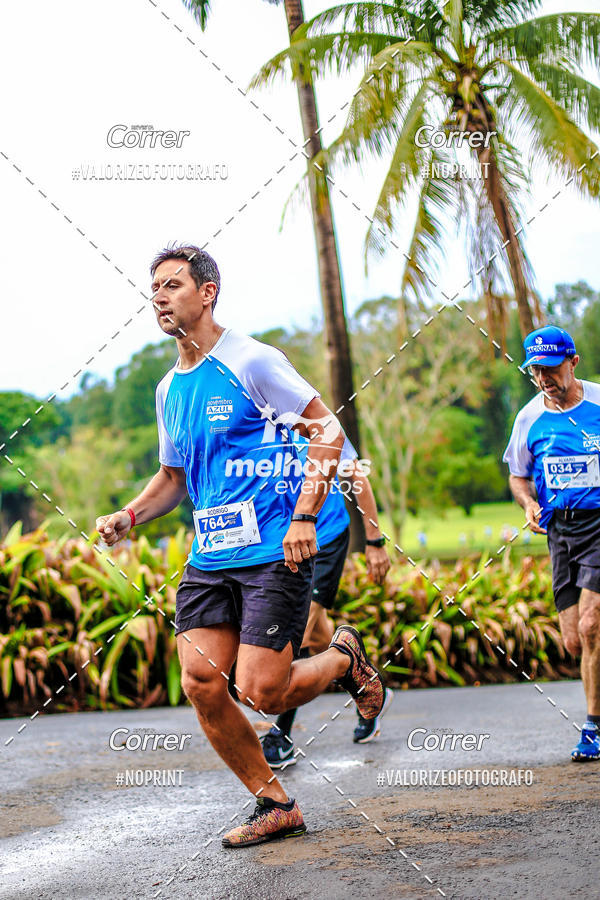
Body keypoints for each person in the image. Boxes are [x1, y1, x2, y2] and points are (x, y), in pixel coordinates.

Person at [95, 244, 386, 847]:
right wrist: (130, 514)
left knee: (261, 690)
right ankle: (274, 803)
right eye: (154, 287)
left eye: (172, 284)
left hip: (274, 550)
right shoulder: (167, 389)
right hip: (210, 556)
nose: (159, 296)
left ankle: (343, 659)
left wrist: (305, 516)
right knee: (202, 682)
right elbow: (174, 478)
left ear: (207, 293)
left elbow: (327, 429)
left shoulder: (252, 362)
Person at [260, 445, 393, 768]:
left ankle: (282, 735)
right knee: (320, 637)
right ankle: (368, 685)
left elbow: (356, 477)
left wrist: (374, 542)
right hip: (284, 543)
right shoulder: (254, 422)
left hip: (326, 537)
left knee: (300, 627)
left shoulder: (316, 421)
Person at [503, 325, 600, 762]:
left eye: (552, 368)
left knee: (591, 625)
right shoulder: (528, 418)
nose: (544, 378)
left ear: (573, 362)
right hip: (560, 532)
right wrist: (526, 503)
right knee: (574, 642)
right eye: (536, 370)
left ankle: (593, 727)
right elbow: (517, 474)